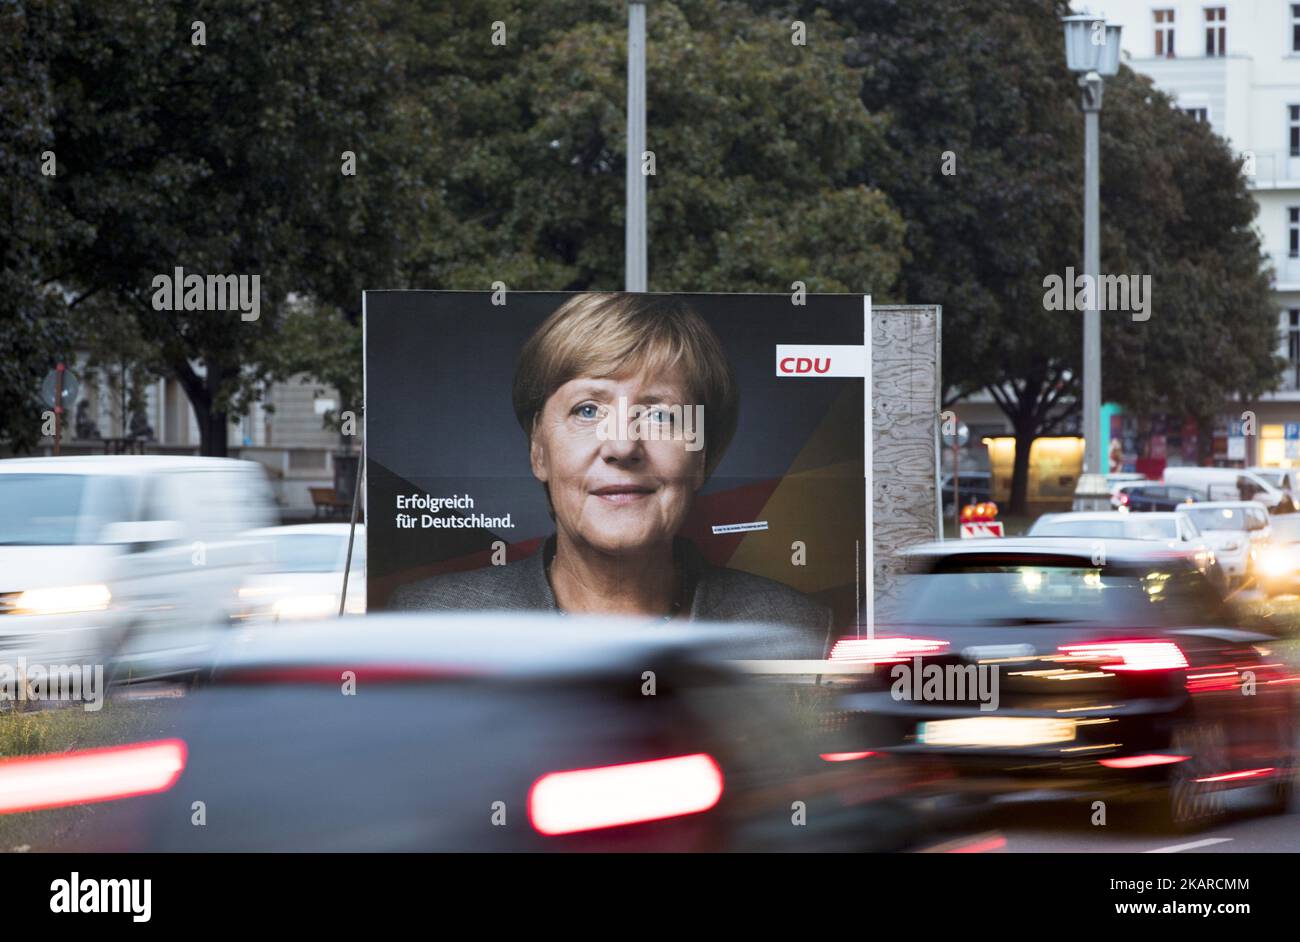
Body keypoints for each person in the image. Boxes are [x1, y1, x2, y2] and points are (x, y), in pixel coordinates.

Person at [390, 293, 831, 653]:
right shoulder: (426, 625)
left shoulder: (793, 631)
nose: (623, 446)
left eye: (659, 416)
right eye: (587, 410)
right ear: (538, 452)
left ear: (701, 457)